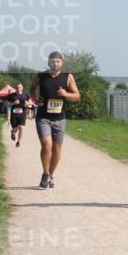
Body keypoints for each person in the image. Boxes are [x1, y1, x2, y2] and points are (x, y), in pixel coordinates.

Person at [30, 51, 81, 189]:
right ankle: (45, 174)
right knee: (46, 145)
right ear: (48, 63)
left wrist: (66, 94)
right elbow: (32, 89)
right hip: (43, 117)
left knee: (57, 148)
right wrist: (35, 98)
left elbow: (77, 95)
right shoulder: (41, 76)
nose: (55, 63)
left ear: (61, 63)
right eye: (52, 61)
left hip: (60, 118)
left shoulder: (67, 77)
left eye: (58, 61)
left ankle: (50, 175)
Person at [7, 82, 30, 147]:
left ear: (22, 88)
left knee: (21, 127)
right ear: (15, 88)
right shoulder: (11, 95)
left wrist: (27, 103)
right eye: (17, 87)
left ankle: (18, 142)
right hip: (14, 115)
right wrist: (13, 103)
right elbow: (6, 103)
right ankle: (12, 133)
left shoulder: (26, 95)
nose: (18, 88)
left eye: (20, 87)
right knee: (15, 129)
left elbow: (30, 102)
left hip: (22, 114)